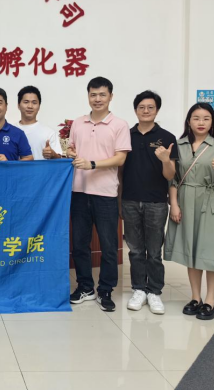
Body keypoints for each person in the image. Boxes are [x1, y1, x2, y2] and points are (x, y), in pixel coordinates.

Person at [165, 102, 214, 321]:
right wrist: (174, 204)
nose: (201, 122)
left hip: (212, 201)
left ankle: (210, 301)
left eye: (206, 118)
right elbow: (173, 179)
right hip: (185, 200)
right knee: (192, 249)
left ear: (212, 122)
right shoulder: (179, 145)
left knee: (212, 252)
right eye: (196, 118)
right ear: (189, 121)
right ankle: (195, 298)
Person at [68, 77, 131, 312]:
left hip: (105, 194)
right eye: (93, 95)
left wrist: (92, 164)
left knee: (108, 245)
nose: (97, 99)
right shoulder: (78, 123)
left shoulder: (119, 125)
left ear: (110, 97)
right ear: (88, 96)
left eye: (102, 95)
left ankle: (105, 289)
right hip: (79, 191)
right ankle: (85, 286)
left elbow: (120, 158)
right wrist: (70, 152)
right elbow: (72, 148)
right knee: (79, 244)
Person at [121, 91, 177, 315]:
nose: (146, 111)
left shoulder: (167, 137)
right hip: (130, 200)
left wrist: (165, 160)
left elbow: (170, 175)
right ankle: (138, 290)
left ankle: (154, 292)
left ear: (157, 110)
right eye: (141, 107)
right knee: (135, 250)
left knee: (154, 251)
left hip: (156, 202)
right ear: (135, 110)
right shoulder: (126, 136)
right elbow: (120, 171)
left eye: (150, 107)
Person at [17, 85, 64, 160]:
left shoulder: (49, 133)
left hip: (42, 168)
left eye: (34, 102)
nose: (30, 106)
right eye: (26, 102)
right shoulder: (11, 131)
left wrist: (52, 154)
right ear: (18, 105)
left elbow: (59, 160)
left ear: (39, 106)